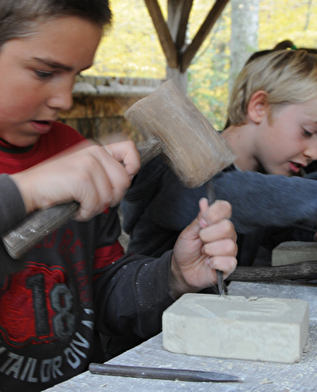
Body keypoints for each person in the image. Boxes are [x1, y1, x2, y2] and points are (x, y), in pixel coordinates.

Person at [0, 1, 238, 391]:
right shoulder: (63, 169)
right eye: (44, 72)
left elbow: (100, 293)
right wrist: (24, 191)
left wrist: (171, 276)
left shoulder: (73, 154)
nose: (64, 99)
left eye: (76, 75)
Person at [121, 49, 317, 267]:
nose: (314, 152)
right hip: (152, 323)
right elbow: (227, 196)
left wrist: (315, 226)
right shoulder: (184, 164)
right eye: (308, 132)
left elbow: (268, 225)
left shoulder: (261, 177)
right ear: (260, 107)